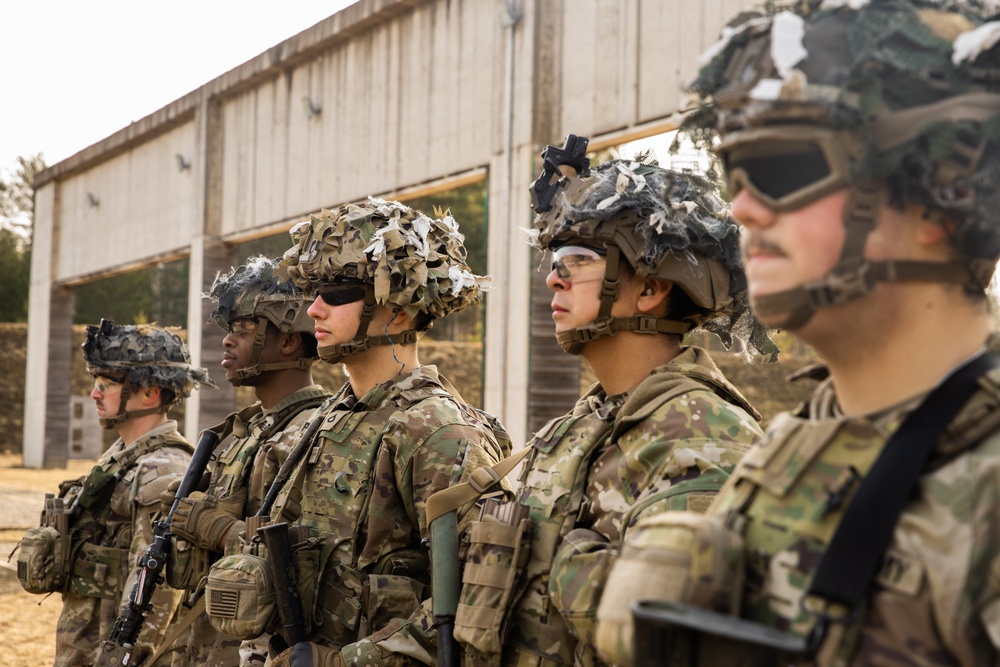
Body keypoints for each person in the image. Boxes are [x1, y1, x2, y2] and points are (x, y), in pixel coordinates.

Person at [597, 2, 1000, 665]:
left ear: (937, 193)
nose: (742, 206)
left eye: (785, 167)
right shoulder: (795, 441)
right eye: (735, 173)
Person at [436, 141, 774, 667]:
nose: (553, 276)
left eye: (578, 260)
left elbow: (675, 642)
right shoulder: (578, 427)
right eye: (554, 259)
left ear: (651, 290)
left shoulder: (702, 439)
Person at [203, 198, 511, 666]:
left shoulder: (439, 433)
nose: (314, 310)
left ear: (401, 312)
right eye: (314, 292)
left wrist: (344, 662)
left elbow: (477, 600)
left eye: (337, 292)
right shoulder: (328, 419)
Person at [155, 256, 329, 667]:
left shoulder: (313, 433)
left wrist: (214, 528)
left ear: (288, 342)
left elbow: (313, 560)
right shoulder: (245, 432)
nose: (227, 342)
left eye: (244, 330)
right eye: (229, 330)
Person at [24, 320, 215, 666]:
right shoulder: (124, 457)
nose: (94, 393)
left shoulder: (161, 470)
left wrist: (122, 658)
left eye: (105, 384)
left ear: (149, 393)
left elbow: (154, 590)